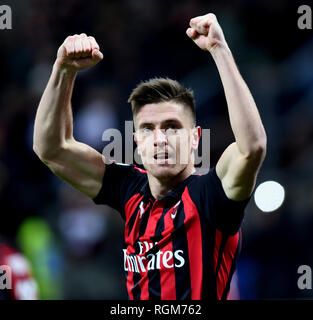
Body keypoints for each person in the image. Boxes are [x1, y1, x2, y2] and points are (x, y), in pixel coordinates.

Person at [33, 13, 266, 300]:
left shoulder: (212, 196)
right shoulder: (128, 188)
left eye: (172, 127)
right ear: (136, 142)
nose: (160, 139)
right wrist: (64, 70)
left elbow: (251, 147)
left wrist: (220, 50)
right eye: (148, 129)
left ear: (194, 139)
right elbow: (51, 149)